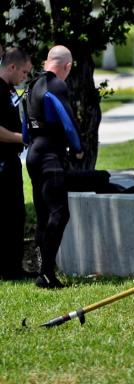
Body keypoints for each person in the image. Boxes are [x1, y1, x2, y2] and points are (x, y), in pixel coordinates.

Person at [22, 45, 83, 289]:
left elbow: (25, 125)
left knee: (44, 214)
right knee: (59, 213)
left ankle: (42, 269)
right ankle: (46, 272)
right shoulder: (57, 85)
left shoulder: (30, 86)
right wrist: (77, 147)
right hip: (50, 157)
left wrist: (30, 141)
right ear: (67, 66)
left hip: (34, 154)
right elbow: (66, 119)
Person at [0, 47, 34, 280]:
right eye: (24, 71)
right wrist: (23, 138)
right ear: (12, 67)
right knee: (7, 216)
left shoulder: (8, 90)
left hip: (11, 160)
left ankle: (13, 267)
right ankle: (8, 270)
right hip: (1, 162)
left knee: (16, 216)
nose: (25, 76)